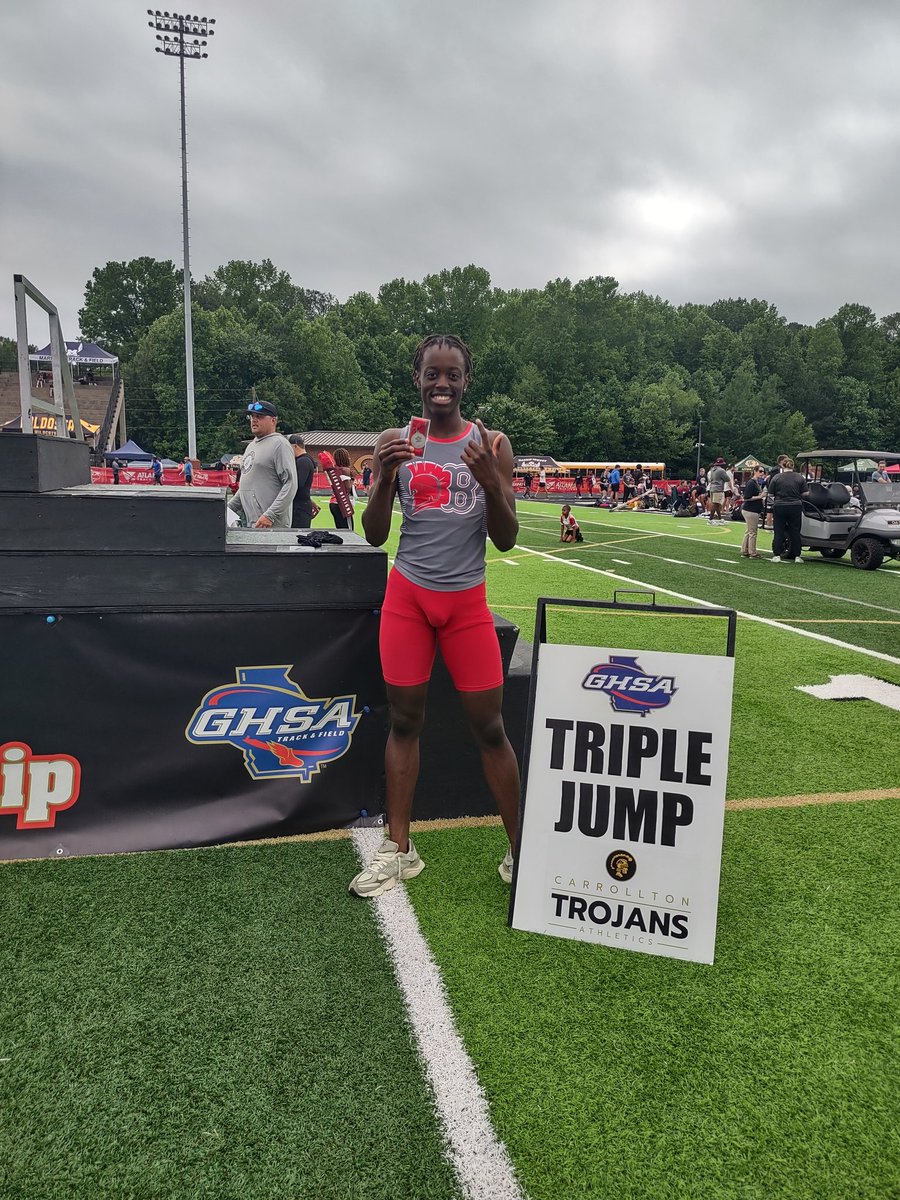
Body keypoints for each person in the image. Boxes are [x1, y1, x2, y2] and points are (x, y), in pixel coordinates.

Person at [349, 333, 520, 898]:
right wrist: (382, 478)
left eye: (452, 375)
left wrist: (492, 483)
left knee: (490, 727)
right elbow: (375, 536)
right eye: (432, 374)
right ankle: (400, 849)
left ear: (466, 381)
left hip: (466, 601)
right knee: (404, 721)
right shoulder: (396, 441)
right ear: (417, 379)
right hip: (409, 599)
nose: (441, 384)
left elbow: (506, 540)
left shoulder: (492, 443)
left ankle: (523, 851)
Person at [227, 399, 297, 529]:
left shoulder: (279, 444)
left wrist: (271, 515)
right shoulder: (251, 446)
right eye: (252, 416)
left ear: (273, 420)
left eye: (259, 416)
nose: (254, 420)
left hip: (271, 525)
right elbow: (245, 487)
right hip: (252, 523)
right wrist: (228, 508)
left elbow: (291, 483)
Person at [768, 455, 808, 563]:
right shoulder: (800, 478)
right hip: (795, 506)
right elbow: (806, 493)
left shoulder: (777, 477)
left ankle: (777, 554)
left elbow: (770, 493)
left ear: (783, 465)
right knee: (795, 531)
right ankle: (797, 556)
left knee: (779, 531)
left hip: (780, 505)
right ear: (793, 466)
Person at [288, 434, 319, 528]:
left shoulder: (303, 461)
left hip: (300, 508)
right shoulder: (304, 460)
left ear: (295, 446)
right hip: (300, 505)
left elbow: (298, 484)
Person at [740, 465, 767, 558]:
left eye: (763, 471)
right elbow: (746, 497)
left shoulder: (756, 482)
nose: (762, 473)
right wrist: (760, 496)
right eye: (760, 471)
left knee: (749, 531)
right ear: (755, 471)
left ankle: (745, 550)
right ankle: (752, 552)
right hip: (751, 510)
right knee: (752, 532)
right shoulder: (751, 483)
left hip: (751, 509)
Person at [328, 447, 356, 531]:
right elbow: (347, 488)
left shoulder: (334, 470)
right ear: (345, 458)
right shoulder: (345, 470)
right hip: (342, 503)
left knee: (340, 529)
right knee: (348, 530)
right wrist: (353, 478)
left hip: (333, 502)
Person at [707, 458, 728, 523]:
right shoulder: (722, 470)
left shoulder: (712, 470)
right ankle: (710, 519)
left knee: (716, 503)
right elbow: (727, 479)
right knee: (715, 504)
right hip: (718, 488)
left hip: (712, 487)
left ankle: (720, 518)